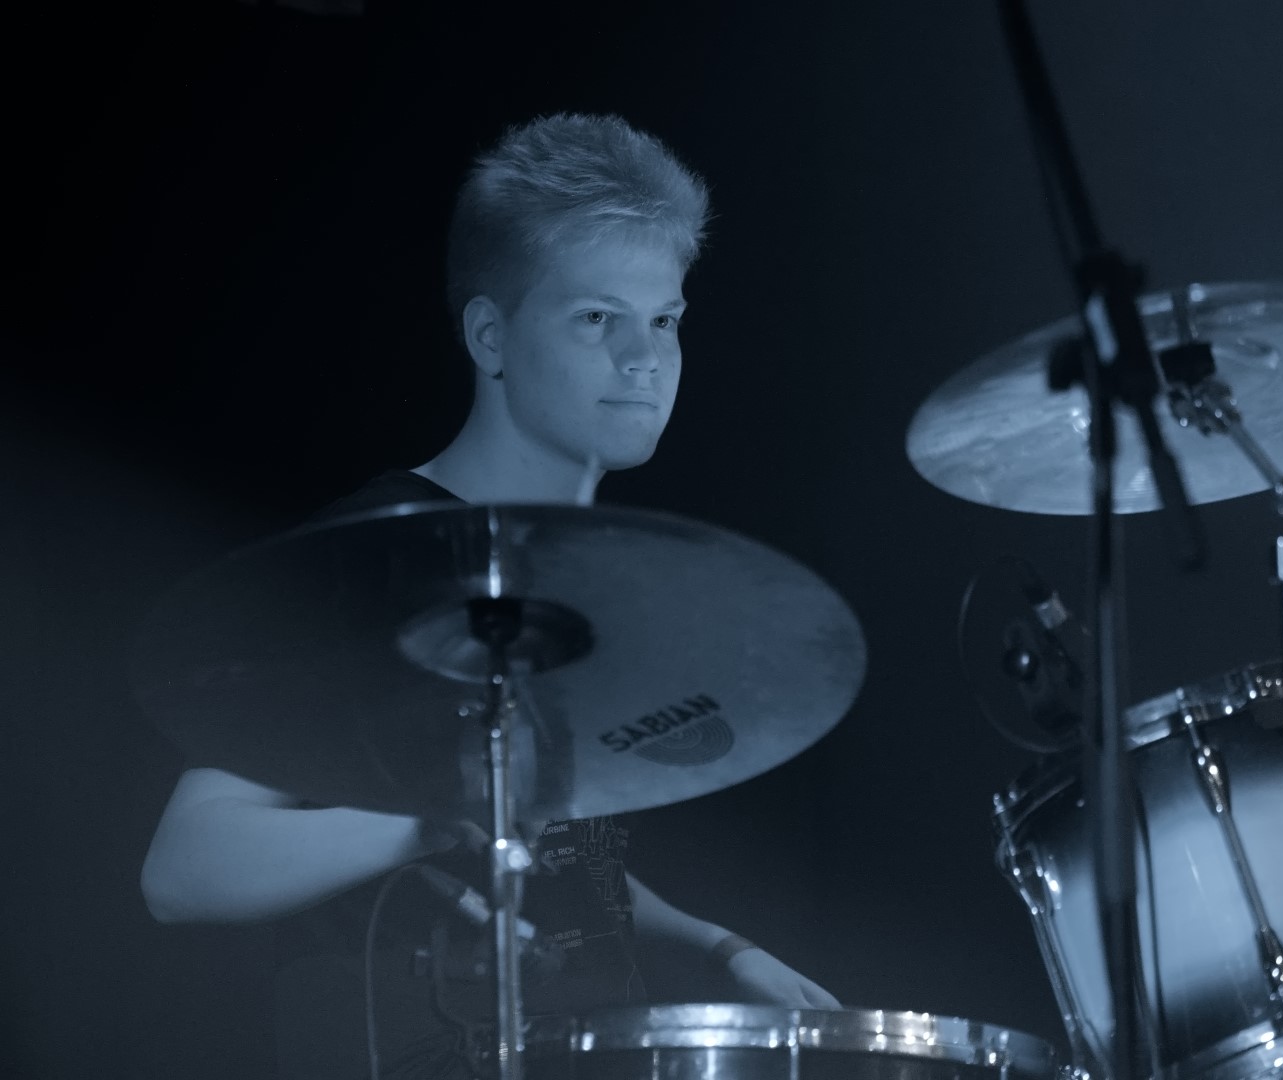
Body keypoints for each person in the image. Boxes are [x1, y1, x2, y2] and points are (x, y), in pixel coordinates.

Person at [140, 112, 837, 1080]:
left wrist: (720, 945)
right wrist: (427, 821)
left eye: (665, 319)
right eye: (596, 318)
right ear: (490, 335)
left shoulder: (601, 577)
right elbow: (183, 866)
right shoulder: (374, 556)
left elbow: (567, 859)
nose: (645, 358)